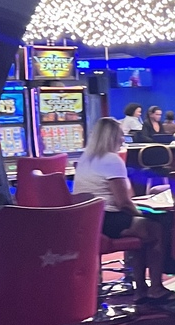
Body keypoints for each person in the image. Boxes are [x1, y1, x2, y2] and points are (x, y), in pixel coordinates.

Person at [71, 116, 168, 300]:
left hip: (87, 220)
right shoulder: (111, 160)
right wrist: (140, 212)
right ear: (112, 137)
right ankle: (155, 288)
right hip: (107, 219)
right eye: (121, 135)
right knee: (155, 229)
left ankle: (140, 290)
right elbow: (123, 202)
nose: (123, 139)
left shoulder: (86, 158)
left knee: (141, 230)